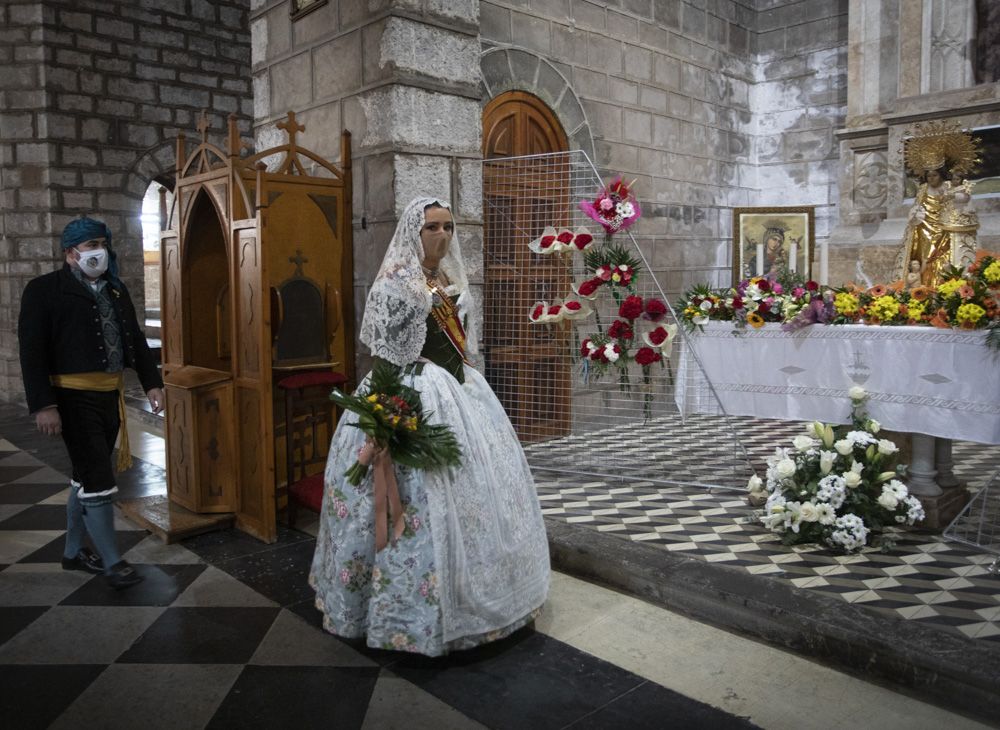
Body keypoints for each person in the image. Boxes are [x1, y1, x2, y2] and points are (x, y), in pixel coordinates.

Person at [309, 197, 550, 656]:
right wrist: (386, 419)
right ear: (413, 233)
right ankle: (404, 615)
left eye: (448, 226)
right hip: (411, 393)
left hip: (461, 393)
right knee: (414, 507)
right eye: (431, 227)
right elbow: (384, 356)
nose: (442, 236)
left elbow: (460, 345)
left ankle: (478, 598)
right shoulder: (395, 286)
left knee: (482, 496)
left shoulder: (446, 279)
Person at [18, 217, 164, 589]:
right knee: (99, 478)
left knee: (83, 475)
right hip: (71, 397)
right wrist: (44, 405)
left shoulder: (115, 291)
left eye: (101, 242)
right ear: (70, 253)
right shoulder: (44, 290)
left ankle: (71, 552)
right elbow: (32, 353)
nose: (97, 251)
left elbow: (135, 338)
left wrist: (152, 384)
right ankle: (114, 563)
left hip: (108, 396)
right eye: (88, 245)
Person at [901, 168, 951, 286]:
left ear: (941, 175)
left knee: (940, 255)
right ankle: (923, 283)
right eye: (929, 176)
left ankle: (940, 282)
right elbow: (917, 206)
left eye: (935, 175)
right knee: (925, 257)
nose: (932, 178)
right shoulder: (923, 189)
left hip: (943, 226)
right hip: (924, 227)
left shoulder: (947, 187)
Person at [942, 171, 979, 270]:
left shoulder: (964, 188)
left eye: (957, 179)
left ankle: (967, 266)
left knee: (964, 242)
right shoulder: (949, 188)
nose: (955, 181)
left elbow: (965, 198)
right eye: (953, 179)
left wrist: (953, 196)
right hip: (951, 218)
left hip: (963, 217)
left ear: (961, 180)